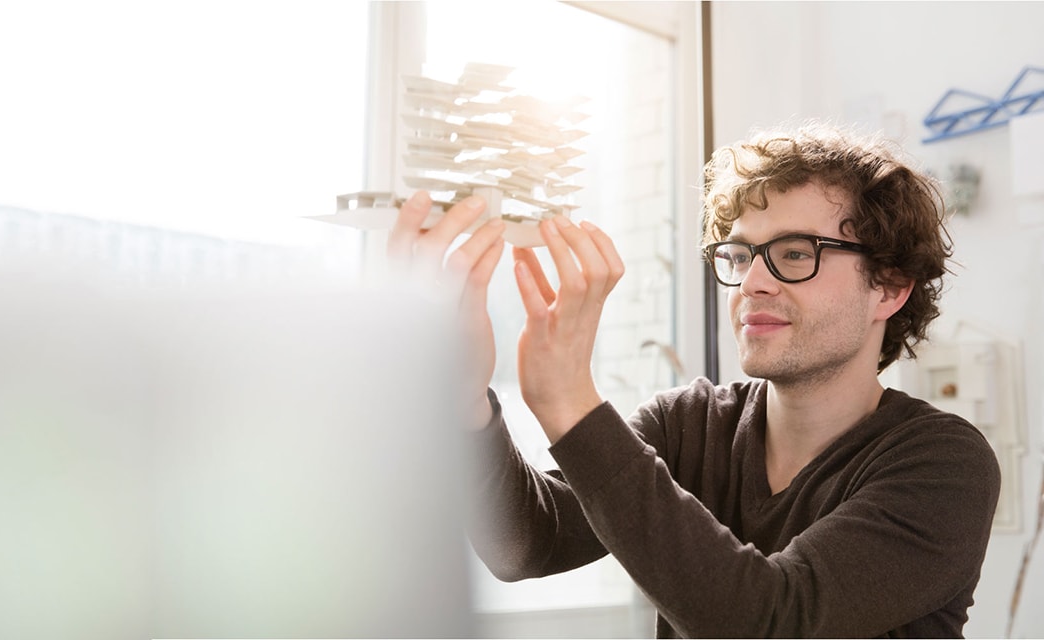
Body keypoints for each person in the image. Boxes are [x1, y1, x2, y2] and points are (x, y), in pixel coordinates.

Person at [388, 122, 1001, 637]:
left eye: (793, 253)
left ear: (890, 288)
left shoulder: (944, 464)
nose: (754, 283)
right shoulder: (687, 423)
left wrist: (569, 400)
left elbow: (768, 619)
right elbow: (524, 544)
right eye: (738, 256)